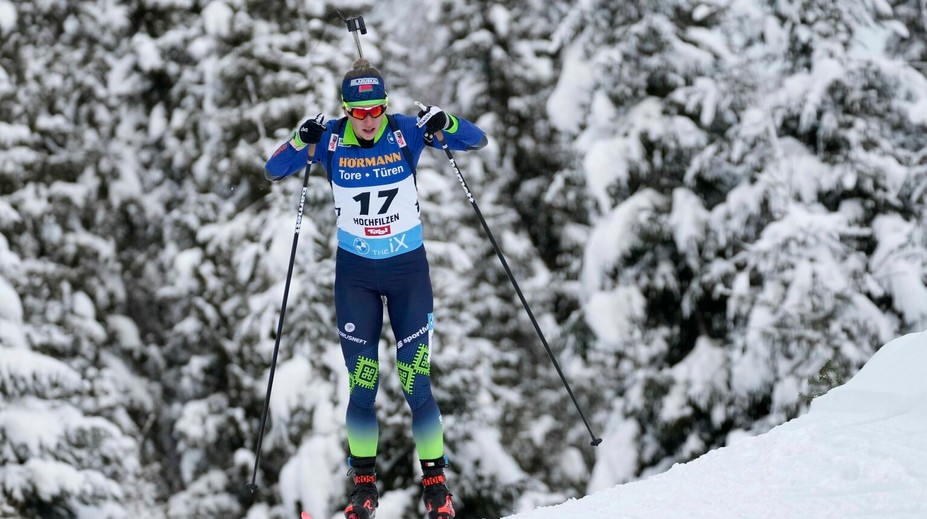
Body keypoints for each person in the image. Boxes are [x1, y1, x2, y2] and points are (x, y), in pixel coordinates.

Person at [265, 59, 487, 519]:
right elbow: (274, 169)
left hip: (408, 274)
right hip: (357, 278)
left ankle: (436, 488)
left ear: (386, 106)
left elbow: (475, 140)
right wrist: (299, 140)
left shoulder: (405, 131)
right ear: (346, 110)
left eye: (375, 110)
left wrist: (447, 122)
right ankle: (363, 490)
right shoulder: (329, 141)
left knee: (415, 381)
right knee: (362, 384)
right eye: (358, 112)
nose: (368, 121)